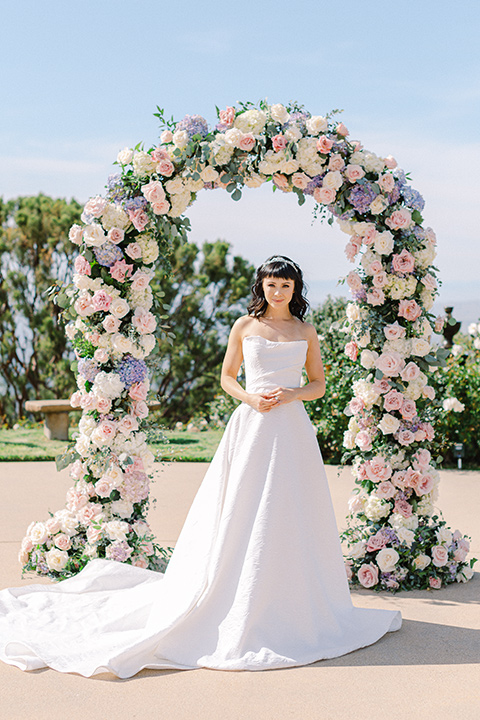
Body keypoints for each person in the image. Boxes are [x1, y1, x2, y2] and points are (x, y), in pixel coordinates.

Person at [0, 255, 401, 678]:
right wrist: (251, 398)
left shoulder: (305, 331)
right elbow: (227, 377)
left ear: (295, 288)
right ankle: (233, 591)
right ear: (261, 287)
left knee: (290, 507)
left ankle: (288, 597)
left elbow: (319, 385)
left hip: (292, 430)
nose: (277, 292)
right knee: (244, 504)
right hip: (252, 424)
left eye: (285, 285)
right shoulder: (244, 327)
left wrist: (293, 393)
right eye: (270, 285)